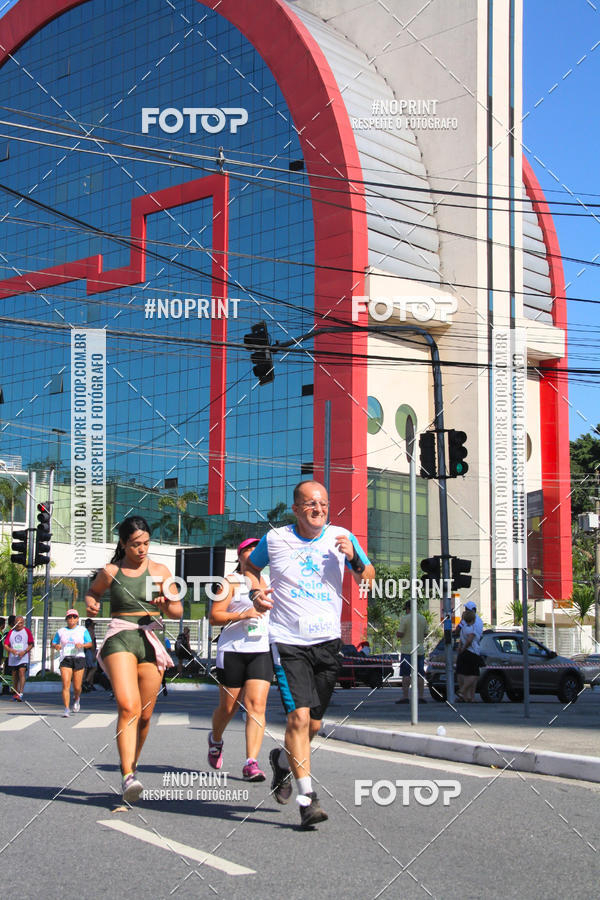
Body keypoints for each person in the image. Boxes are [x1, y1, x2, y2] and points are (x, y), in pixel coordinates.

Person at [247, 480, 374, 828]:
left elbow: (369, 578)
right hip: (288, 641)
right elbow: (250, 568)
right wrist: (257, 592)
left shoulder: (341, 536)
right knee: (298, 720)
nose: (318, 508)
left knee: (314, 724)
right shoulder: (275, 539)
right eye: (310, 503)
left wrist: (354, 560)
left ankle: (284, 765)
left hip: (328, 642)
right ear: (296, 509)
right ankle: (308, 800)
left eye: (323, 503)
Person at [85, 515, 182, 804]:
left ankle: (132, 765)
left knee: (145, 715)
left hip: (150, 640)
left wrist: (167, 605)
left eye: (146, 543)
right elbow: (93, 592)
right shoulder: (111, 571)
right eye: (136, 544)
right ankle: (128, 775)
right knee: (129, 707)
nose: (142, 549)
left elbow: (177, 611)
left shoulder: (161, 571)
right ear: (124, 544)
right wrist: (91, 601)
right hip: (120, 637)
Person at [208, 537, 273, 782]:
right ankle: (215, 740)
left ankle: (251, 762)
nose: (255, 552)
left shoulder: (269, 581)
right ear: (240, 555)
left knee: (256, 704)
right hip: (233, 649)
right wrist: (244, 613)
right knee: (229, 707)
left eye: (259, 549)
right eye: (249, 548)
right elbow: (214, 616)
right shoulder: (230, 582)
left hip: (260, 650)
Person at [51, 610, 93, 716]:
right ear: (66, 619)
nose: (72, 619)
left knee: (77, 686)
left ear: (78, 619)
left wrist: (82, 646)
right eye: (69, 617)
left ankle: (77, 698)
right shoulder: (61, 631)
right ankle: (66, 708)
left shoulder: (82, 630)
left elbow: (89, 644)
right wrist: (56, 646)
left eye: (74, 617)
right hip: (66, 658)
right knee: (66, 684)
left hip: (79, 657)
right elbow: (54, 642)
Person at [395, 599, 428, 704]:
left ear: (409, 609)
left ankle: (405, 697)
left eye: (406, 609)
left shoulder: (405, 619)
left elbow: (400, 633)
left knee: (406, 674)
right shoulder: (423, 619)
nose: (406, 611)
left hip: (407, 650)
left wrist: (398, 634)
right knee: (419, 674)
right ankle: (421, 696)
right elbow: (425, 633)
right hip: (419, 650)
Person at [3, 616, 34, 701]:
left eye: (20, 623)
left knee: (21, 672)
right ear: (14, 623)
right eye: (17, 622)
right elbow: (5, 644)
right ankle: (15, 693)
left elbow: (31, 644)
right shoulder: (11, 632)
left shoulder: (26, 631)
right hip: (13, 657)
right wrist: (11, 650)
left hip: (23, 657)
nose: (19, 625)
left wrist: (24, 651)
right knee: (14, 675)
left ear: (23, 623)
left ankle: (21, 693)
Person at [455, 608, 482, 702]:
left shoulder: (463, 628)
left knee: (463, 673)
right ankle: (463, 690)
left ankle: (467, 696)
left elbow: (461, 639)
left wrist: (460, 647)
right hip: (472, 652)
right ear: (473, 619)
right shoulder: (471, 628)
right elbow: (469, 640)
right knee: (475, 674)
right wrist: (464, 648)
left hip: (464, 653)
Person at [82, 618, 98, 693]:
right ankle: (86, 682)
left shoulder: (84, 631)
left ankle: (89, 684)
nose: (94, 626)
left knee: (86, 668)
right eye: (93, 625)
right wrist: (94, 653)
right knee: (94, 667)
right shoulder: (91, 631)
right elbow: (92, 644)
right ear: (91, 625)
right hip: (90, 651)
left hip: (85, 651)